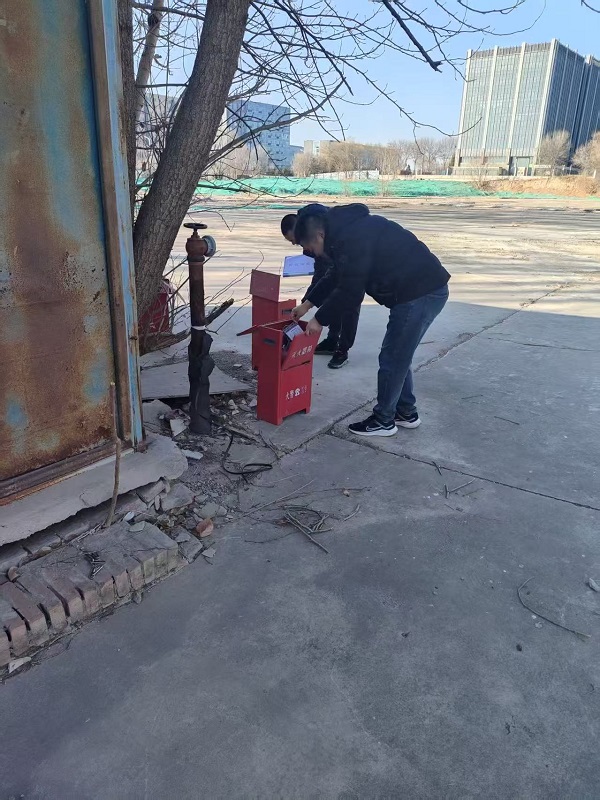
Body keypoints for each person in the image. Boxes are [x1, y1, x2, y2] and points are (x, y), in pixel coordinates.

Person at [292, 203, 450, 437]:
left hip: (421, 293)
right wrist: (307, 304)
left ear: (320, 235)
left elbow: (351, 291)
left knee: (393, 357)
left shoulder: (354, 237)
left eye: (312, 247)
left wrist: (320, 319)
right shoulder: (343, 234)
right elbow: (336, 275)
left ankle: (384, 420)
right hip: (416, 291)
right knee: (398, 355)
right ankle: (405, 412)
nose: (314, 253)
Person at [281, 205, 360, 369]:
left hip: (405, 293)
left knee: (348, 305)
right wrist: (307, 303)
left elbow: (350, 287)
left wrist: (318, 318)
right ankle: (332, 340)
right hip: (341, 270)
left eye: (294, 239)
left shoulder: (343, 240)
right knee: (332, 297)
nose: (295, 243)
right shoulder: (313, 240)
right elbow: (323, 273)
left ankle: (342, 349)